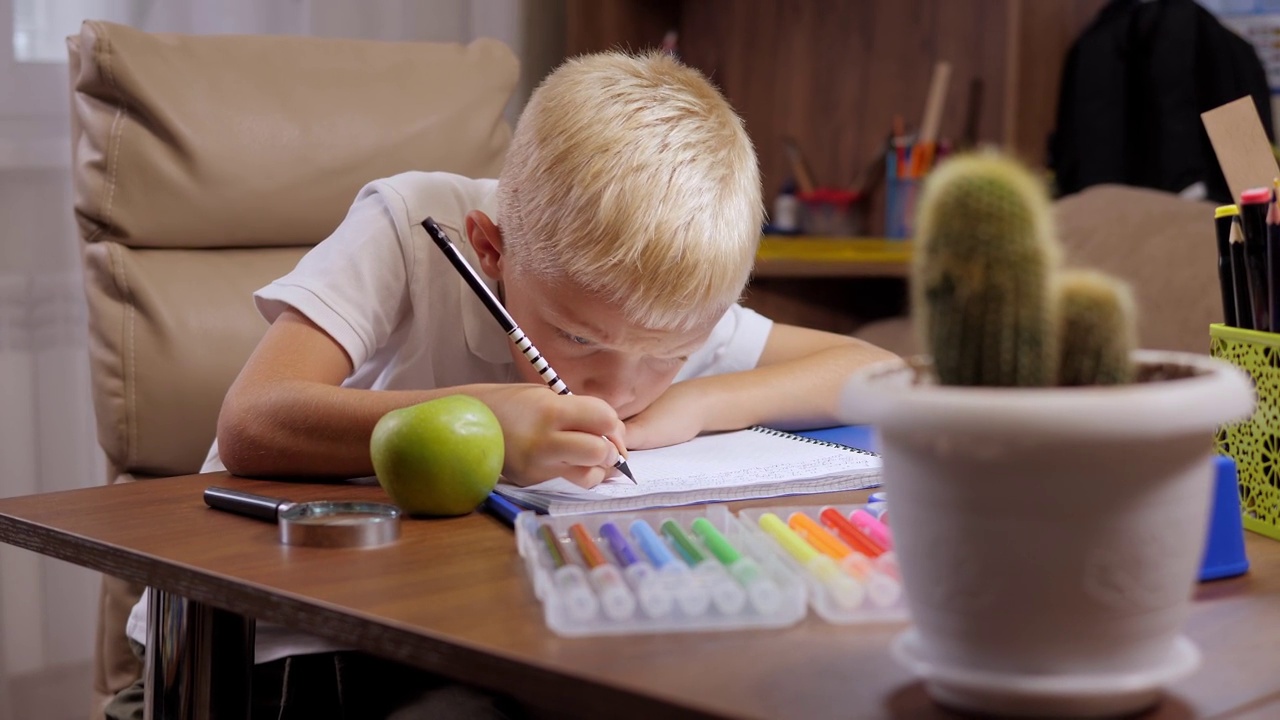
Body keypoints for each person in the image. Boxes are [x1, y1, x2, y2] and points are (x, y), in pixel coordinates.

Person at [107, 50, 895, 720]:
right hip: (287, 647)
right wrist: (484, 418)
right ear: (490, 249)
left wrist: (694, 401)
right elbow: (252, 420)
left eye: (670, 351)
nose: (620, 385)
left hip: (499, 629)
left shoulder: (655, 302)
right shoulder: (414, 224)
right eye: (579, 338)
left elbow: (884, 370)